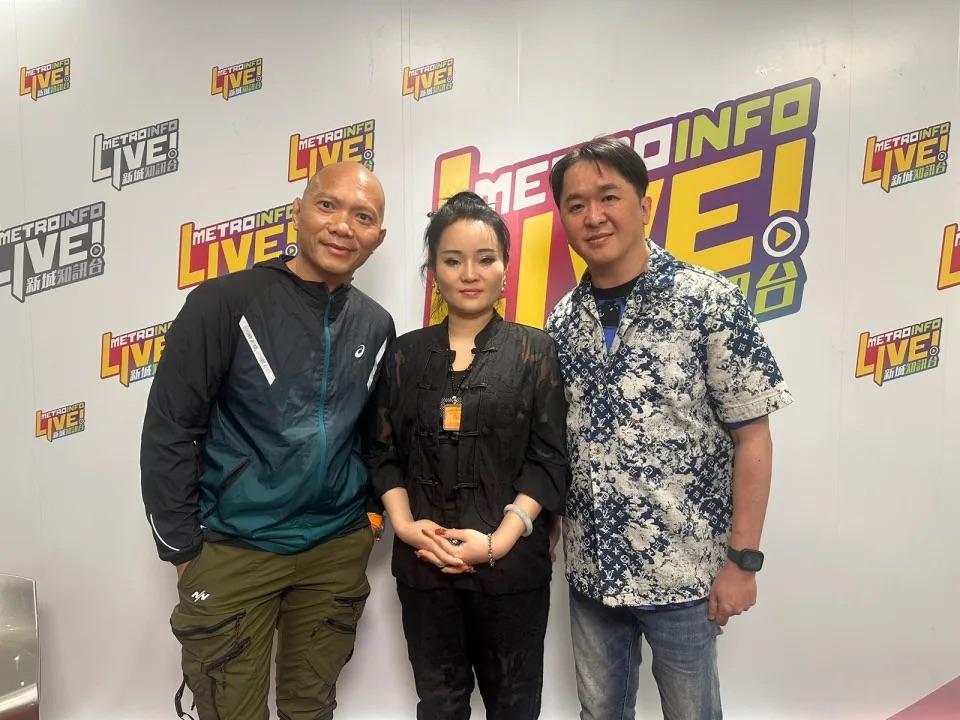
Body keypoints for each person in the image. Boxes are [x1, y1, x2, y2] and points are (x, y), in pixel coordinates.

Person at [545, 138, 794, 720]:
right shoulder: (561, 322)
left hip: (684, 574)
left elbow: (753, 436)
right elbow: (561, 441)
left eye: (609, 197)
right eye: (576, 205)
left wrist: (743, 561)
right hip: (592, 573)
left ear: (645, 206)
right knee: (599, 713)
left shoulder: (707, 301)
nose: (593, 216)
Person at [140, 161, 395, 720]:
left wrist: (373, 515)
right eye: (327, 206)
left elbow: (377, 436)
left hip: (334, 548)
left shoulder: (376, 325)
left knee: (311, 708)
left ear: (378, 237)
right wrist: (182, 550)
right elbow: (170, 428)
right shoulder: (224, 302)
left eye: (362, 217)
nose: (342, 226)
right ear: (297, 211)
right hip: (236, 547)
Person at [366, 191, 569, 720]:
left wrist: (499, 542)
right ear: (433, 271)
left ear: (505, 267)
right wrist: (406, 527)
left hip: (511, 568)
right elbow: (382, 451)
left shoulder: (535, 351)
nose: (470, 274)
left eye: (485, 259)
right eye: (453, 261)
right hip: (425, 565)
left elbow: (549, 459)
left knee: (515, 705)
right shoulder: (405, 354)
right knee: (439, 704)